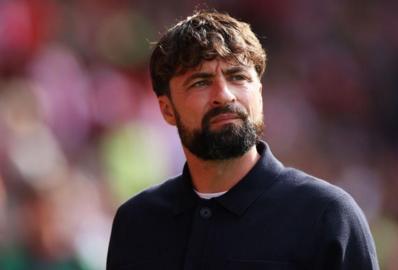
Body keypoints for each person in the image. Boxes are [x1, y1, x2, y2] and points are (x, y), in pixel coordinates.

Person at [106, 10, 379, 270]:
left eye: (238, 77)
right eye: (200, 82)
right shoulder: (137, 222)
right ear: (167, 109)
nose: (224, 95)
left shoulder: (327, 216)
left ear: (259, 94)